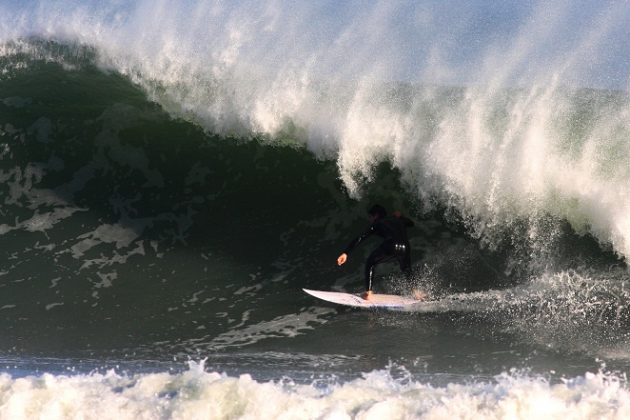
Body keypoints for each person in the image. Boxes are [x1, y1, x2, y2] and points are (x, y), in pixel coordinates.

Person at [337, 204, 414, 300]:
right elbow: (411, 223)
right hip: (405, 247)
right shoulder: (397, 220)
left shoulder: (378, 223)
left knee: (371, 262)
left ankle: (368, 293)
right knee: (406, 268)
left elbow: (361, 237)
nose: (370, 220)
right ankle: (415, 291)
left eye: (370, 217)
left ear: (376, 215)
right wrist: (401, 216)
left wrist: (346, 253)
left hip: (391, 245)